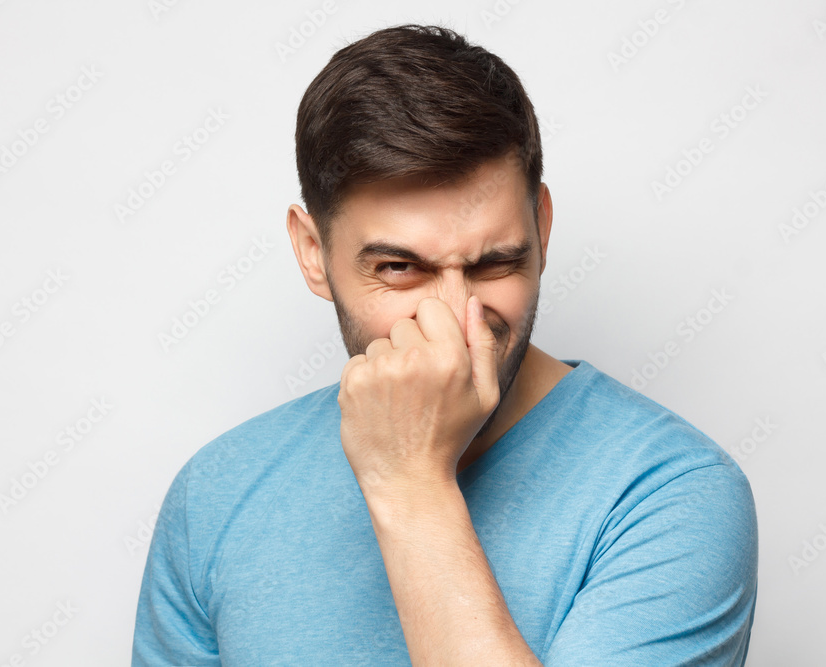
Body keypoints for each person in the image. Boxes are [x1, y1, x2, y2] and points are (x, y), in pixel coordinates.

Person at [132, 23, 758, 666]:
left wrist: (410, 482)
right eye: (401, 268)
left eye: (495, 263)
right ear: (314, 253)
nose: (458, 318)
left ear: (541, 228)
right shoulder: (214, 494)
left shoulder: (673, 494)